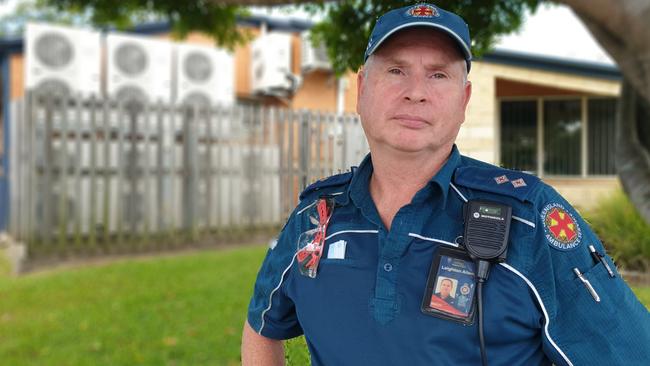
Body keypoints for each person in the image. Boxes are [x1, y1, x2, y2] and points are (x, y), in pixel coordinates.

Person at [242, 3, 650, 365]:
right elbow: (261, 324)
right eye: (396, 70)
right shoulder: (316, 216)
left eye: (438, 75)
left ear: (464, 100)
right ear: (362, 88)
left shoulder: (529, 219)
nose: (415, 93)